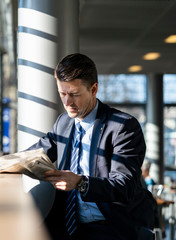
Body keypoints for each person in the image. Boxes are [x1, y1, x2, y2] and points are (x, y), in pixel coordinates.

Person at [27, 53, 156, 240]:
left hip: (110, 226)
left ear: (94, 89)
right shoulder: (63, 122)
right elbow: (35, 153)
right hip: (66, 225)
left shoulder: (123, 127)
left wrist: (80, 182)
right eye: (62, 93)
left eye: (74, 94)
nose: (67, 102)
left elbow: (124, 185)